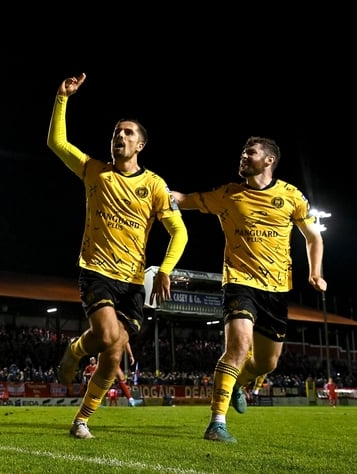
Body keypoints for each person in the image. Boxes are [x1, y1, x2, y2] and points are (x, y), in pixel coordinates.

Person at [48, 72, 188, 439]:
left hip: (132, 281)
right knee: (110, 335)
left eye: (127, 133)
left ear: (141, 144)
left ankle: (81, 419)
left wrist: (165, 269)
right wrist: (62, 98)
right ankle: (76, 351)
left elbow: (179, 231)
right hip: (95, 270)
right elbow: (57, 142)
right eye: (116, 132)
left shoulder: (155, 185)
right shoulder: (95, 171)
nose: (119, 136)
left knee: (113, 355)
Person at [171, 136, 327, 443]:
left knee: (266, 363)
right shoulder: (228, 194)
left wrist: (316, 273)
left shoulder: (291, 196)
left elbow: (314, 237)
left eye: (250, 152)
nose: (243, 156)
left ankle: (240, 383)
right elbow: (186, 198)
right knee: (238, 347)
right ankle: (217, 422)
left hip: (277, 289)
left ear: (268, 160)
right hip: (239, 282)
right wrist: (160, 192)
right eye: (243, 151)